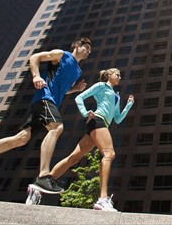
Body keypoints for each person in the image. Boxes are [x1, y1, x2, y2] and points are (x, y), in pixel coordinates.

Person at [0, 37, 92, 194]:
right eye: (86, 47)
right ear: (77, 46)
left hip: (50, 103)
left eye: (90, 50)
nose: (88, 51)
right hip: (44, 98)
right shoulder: (62, 55)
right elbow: (35, 57)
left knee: (21, 139)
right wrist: (36, 76)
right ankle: (44, 175)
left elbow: (63, 89)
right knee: (57, 127)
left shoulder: (77, 71)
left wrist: (75, 89)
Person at [26, 68, 133, 210]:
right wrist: (84, 112)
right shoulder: (101, 86)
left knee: (74, 158)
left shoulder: (117, 96)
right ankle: (102, 199)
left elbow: (118, 119)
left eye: (120, 75)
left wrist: (128, 105)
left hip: (101, 125)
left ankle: (39, 185)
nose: (119, 77)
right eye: (117, 74)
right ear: (108, 75)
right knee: (109, 154)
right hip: (97, 120)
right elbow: (79, 97)